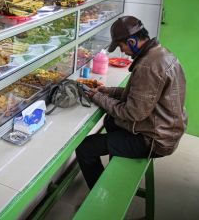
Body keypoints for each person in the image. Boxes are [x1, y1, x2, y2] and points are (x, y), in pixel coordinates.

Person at [76, 16, 187, 189]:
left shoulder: (148, 65)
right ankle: (113, 172)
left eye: (122, 46)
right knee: (111, 120)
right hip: (166, 128)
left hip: (154, 140)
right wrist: (110, 91)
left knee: (85, 148)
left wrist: (97, 97)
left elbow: (132, 113)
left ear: (132, 41)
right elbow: (143, 94)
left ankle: (102, 196)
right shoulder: (160, 53)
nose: (123, 52)